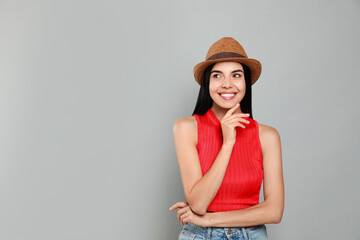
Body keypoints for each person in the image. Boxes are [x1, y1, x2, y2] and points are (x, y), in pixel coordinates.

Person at [169, 37, 284, 240]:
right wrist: (227, 143)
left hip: (251, 236)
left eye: (236, 75)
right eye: (217, 76)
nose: (227, 84)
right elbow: (198, 204)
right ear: (208, 82)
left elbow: (274, 212)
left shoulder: (267, 136)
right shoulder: (187, 127)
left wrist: (208, 220)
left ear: (246, 82)